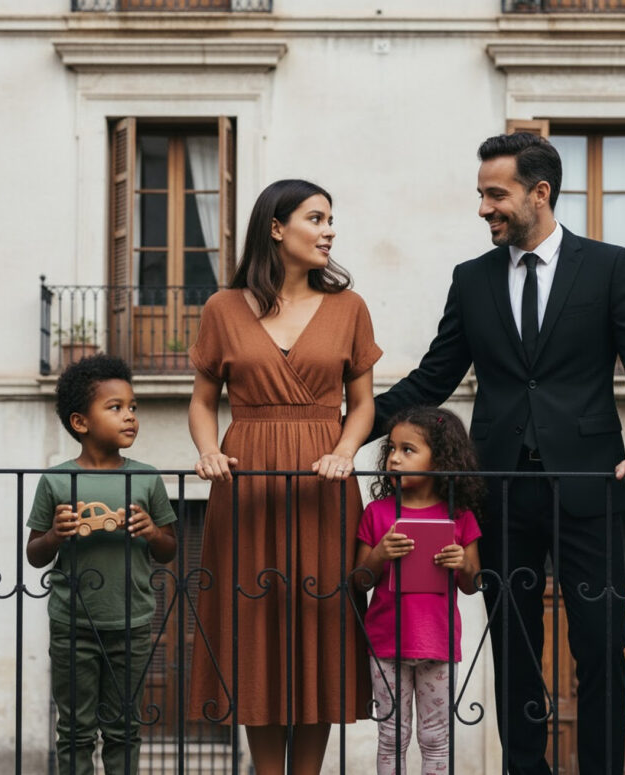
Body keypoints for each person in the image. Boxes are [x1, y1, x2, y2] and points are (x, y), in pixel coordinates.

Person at [372, 133, 625, 775]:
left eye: (495, 194)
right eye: (481, 194)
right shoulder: (472, 279)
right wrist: (344, 432)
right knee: (514, 647)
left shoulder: (607, 266)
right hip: (501, 493)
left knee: (601, 646)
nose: (484, 207)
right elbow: (432, 379)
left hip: (589, 487)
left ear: (539, 193)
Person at [187, 179, 382, 774]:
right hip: (246, 483)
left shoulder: (350, 307)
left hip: (324, 482)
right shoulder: (222, 307)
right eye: (316, 219)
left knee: (321, 624)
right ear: (277, 228)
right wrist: (206, 453)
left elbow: (366, 402)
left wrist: (347, 450)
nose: (329, 231)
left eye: (331, 220)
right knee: (254, 628)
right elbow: (202, 402)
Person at [26, 354, 177, 775]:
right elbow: (35, 552)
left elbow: (169, 549)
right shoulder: (56, 480)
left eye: (133, 408)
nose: (130, 416)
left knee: (123, 728)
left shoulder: (146, 478)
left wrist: (151, 532)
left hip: (131, 622)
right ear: (80, 422)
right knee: (74, 728)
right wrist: (56, 534)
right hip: (72, 623)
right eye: (116, 408)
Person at [356, 406, 483, 775]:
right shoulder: (377, 513)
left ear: (440, 458)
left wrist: (463, 562)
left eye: (407, 450)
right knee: (391, 736)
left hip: (437, 644)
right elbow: (359, 581)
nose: (394, 458)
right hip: (384, 643)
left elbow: (473, 585)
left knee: (436, 738)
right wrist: (380, 555)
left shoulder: (461, 517)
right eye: (391, 449)